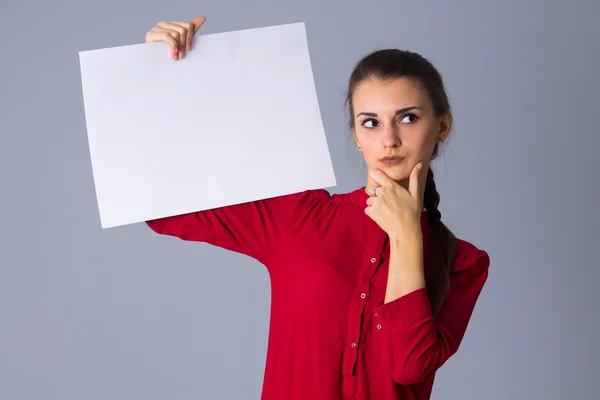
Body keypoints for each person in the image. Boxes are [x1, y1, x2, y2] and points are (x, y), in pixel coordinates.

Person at [144, 15, 490, 400]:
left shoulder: (462, 263)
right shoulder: (300, 218)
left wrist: (407, 235)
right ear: (356, 136)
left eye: (408, 118)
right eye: (371, 122)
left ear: (441, 126)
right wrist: (158, 72)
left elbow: (409, 365)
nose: (389, 139)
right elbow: (162, 206)